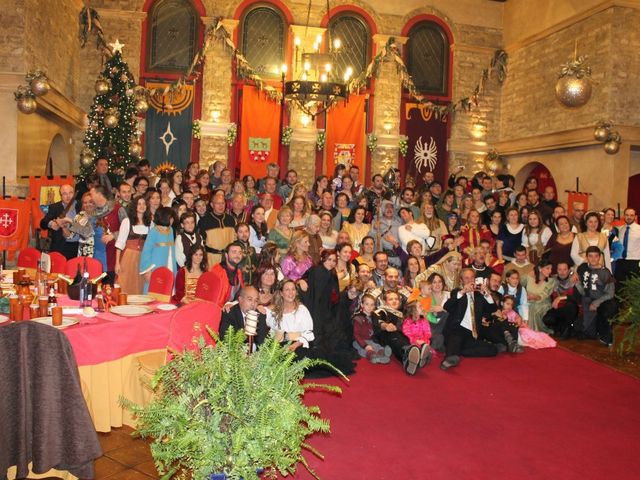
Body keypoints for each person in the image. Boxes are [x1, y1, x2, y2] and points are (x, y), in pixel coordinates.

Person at [441, 268, 499, 370]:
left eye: (472, 277)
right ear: (461, 280)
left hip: (472, 333)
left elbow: (492, 308)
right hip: (457, 329)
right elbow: (447, 306)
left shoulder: (480, 296)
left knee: (492, 350)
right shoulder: (457, 292)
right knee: (455, 338)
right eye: (466, 278)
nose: (470, 280)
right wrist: (463, 291)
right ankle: (450, 358)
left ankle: (459, 350)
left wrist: (487, 294)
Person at [372, 291, 428, 375]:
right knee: (395, 336)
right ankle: (408, 353)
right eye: (390, 299)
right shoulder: (381, 310)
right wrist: (385, 325)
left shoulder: (402, 313)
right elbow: (377, 320)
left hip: (400, 336)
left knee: (405, 337)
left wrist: (422, 316)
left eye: (396, 299)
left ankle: (413, 359)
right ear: (384, 302)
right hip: (385, 334)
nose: (394, 301)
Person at [574, 246, 617, 345]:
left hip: (602, 301)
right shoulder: (583, 268)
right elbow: (584, 291)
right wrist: (576, 282)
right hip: (587, 300)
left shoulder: (605, 272)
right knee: (589, 333)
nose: (593, 259)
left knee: (607, 312)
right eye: (590, 256)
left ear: (600, 257)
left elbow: (610, 293)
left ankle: (606, 336)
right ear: (586, 257)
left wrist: (597, 303)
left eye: (596, 256)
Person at [263, 279, 315, 360]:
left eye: (293, 289)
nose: (291, 293)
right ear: (281, 293)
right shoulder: (274, 311)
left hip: (297, 346)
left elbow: (308, 333)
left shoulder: (301, 310)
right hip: (277, 347)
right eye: (287, 290)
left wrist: (295, 345)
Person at [114, 196, 150, 295]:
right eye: (139, 204)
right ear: (134, 206)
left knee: (140, 286)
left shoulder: (150, 224)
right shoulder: (127, 221)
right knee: (126, 284)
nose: (142, 206)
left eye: (144, 204)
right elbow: (120, 243)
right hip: (128, 258)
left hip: (143, 259)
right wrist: (117, 263)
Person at [139, 207, 176, 294]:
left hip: (170, 266)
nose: (172, 220)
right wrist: (147, 270)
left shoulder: (171, 230)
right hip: (155, 268)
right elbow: (146, 251)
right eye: (171, 217)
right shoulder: (154, 231)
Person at [91, 185, 122, 284]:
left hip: (114, 258)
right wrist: (69, 222)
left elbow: (129, 229)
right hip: (98, 259)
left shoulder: (118, 209)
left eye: (92, 194)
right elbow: (85, 232)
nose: (91, 198)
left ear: (99, 195)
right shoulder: (93, 213)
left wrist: (114, 235)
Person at [40, 184, 79, 259]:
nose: (68, 196)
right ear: (60, 196)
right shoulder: (55, 207)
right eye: (64, 194)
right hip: (62, 246)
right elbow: (43, 223)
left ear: (74, 193)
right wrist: (51, 224)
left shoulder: (81, 205)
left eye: (70, 193)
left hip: (79, 246)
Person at [542, 261, 579, 338]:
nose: (562, 272)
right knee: (547, 319)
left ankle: (566, 328)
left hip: (570, 308)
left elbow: (577, 296)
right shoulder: (552, 279)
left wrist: (560, 298)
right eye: (560, 269)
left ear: (568, 270)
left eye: (565, 269)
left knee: (570, 306)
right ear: (557, 270)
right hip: (557, 307)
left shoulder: (574, 279)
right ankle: (562, 328)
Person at [352, 293, 392, 364]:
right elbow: (356, 334)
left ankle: (382, 354)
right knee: (364, 349)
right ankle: (372, 356)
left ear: (374, 306)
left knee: (377, 346)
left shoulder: (374, 316)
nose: (369, 307)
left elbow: (377, 327)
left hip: (370, 339)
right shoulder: (358, 318)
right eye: (367, 304)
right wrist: (365, 346)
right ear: (362, 305)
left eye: (372, 305)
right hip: (359, 341)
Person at [198, 193, 236, 267]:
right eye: (218, 203)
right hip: (211, 258)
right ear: (212, 205)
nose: (221, 206)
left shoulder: (231, 219)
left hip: (228, 258)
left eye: (222, 203)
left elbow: (235, 239)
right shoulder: (204, 221)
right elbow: (201, 243)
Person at [521, 258, 556, 333]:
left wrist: (534, 297)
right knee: (524, 307)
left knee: (533, 309)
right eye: (547, 268)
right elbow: (519, 285)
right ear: (540, 268)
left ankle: (534, 332)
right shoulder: (529, 277)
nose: (550, 271)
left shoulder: (551, 281)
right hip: (528, 302)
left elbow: (543, 295)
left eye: (551, 269)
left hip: (543, 304)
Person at [210, 241, 245, 307]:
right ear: (226, 255)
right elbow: (213, 298)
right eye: (234, 252)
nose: (237, 255)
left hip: (231, 307)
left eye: (240, 253)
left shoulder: (238, 271)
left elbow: (241, 293)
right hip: (218, 309)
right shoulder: (217, 271)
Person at [401, 301, 433, 366]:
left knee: (426, 349)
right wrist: (415, 340)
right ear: (413, 311)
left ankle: (423, 356)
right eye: (420, 306)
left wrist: (424, 340)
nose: (422, 308)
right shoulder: (407, 322)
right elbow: (407, 334)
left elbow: (428, 332)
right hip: (412, 342)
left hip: (423, 342)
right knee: (414, 349)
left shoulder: (424, 320)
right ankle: (416, 358)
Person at [614, 208, 640, 283]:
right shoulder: (619, 229)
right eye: (627, 215)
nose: (629, 217)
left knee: (632, 288)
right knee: (619, 286)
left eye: (632, 215)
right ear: (624, 216)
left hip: (634, 262)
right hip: (620, 262)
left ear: (635, 217)